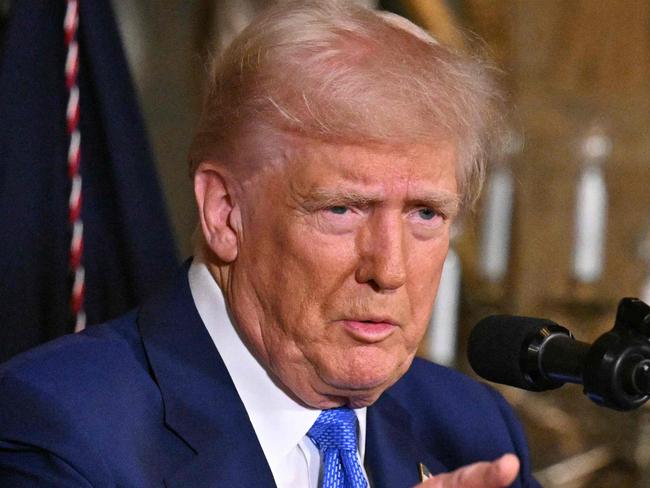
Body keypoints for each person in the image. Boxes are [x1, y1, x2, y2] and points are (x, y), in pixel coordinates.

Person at [0, 1, 540, 487]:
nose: (389, 269)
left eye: (426, 213)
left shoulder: (473, 429)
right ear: (225, 213)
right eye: (342, 209)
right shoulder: (58, 429)